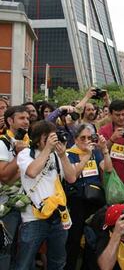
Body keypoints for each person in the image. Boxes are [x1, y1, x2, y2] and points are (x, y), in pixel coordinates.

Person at [15, 120, 77, 269]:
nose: (53, 140)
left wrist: (62, 156)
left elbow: (71, 178)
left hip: (58, 215)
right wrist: (47, 149)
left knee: (58, 261)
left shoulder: (57, 154)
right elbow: (31, 172)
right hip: (33, 217)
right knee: (25, 263)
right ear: (38, 138)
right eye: (49, 137)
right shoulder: (25, 153)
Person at [64, 124, 114, 270]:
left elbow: (108, 169)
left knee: (93, 237)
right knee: (74, 238)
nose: (86, 141)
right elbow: (73, 175)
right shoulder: (69, 153)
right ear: (75, 139)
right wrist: (85, 157)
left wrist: (104, 150)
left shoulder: (96, 152)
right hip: (77, 200)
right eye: (82, 138)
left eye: (89, 137)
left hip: (95, 200)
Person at [0, 106, 30, 270]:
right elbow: (4, 176)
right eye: (21, 118)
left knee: (25, 250)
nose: (26, 122)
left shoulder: (29, 142)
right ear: (10, 121)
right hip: (7, 208)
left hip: (27, 205)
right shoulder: (2, 143)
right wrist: (19, 155)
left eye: (27, 118)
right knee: (6, 248)